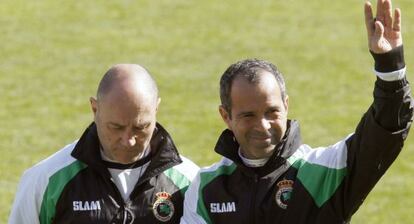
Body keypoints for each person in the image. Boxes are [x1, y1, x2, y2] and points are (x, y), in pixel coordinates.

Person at [181, 0, 413, 223]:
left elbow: (381, 137)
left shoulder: (323, 172)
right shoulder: (206, 189)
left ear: (286, 106)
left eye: (272, 112)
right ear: (226, 116)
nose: (263, 125)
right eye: (248, 115)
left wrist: (390, 72)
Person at [9, 64, 199, 224]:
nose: (128, 140)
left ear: (156, 109)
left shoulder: (189, 182)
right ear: (94, 109)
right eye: (116, 127)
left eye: (140, 127)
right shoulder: (46, 180)